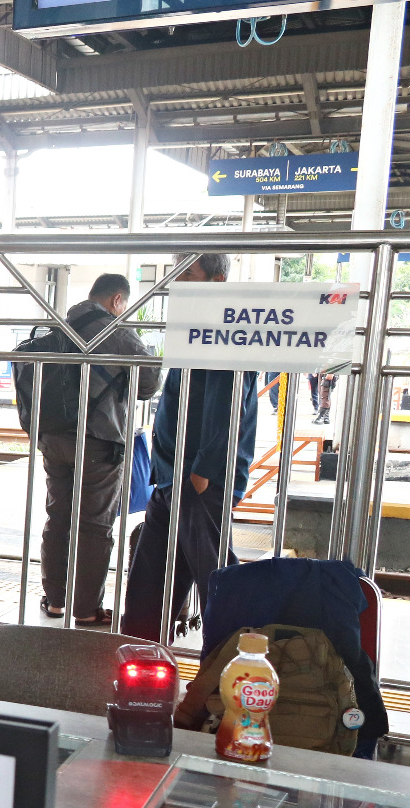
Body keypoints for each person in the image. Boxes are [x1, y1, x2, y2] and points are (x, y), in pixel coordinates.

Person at [122, 252, 257, 643]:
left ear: (216, 281)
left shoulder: (228, 329)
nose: (176, 283)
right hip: (172, 476)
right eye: (175, 274)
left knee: (216, 580)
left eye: (188, 274)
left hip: (198, 480)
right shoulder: (196, 327)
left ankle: (231, 660)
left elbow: (227, 403)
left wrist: (203, 473)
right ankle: (140, 653)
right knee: (150, 580)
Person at [18, 273, 160, 626]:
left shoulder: (58, 328)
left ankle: (55, 601)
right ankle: (85, 609)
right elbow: (149, 385)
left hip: (53, 438)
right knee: (95, 525)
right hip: (98, 441)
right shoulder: (117, 332)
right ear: (117, 300)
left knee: (59, 517)